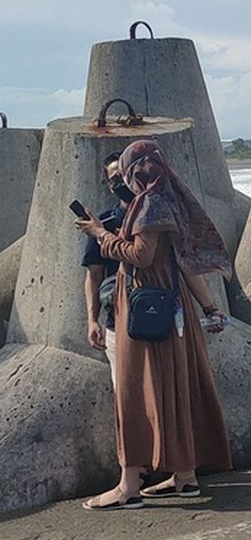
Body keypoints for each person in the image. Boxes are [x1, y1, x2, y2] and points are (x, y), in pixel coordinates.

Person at [74, 140, 233, 510]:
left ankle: (128, 486)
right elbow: (185, 264)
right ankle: (185, 477)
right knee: (176, 391)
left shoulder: (149, 206)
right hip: (175, 313)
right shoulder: (168, 201)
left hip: (145, 314)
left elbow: (140, 256)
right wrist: (210, 308)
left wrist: (101, 235)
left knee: (132, 396)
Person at [81, 153, 134, 386]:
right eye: (114, 179)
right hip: (117, 321)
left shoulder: (158, 217)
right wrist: (92, 320)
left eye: (124, 175)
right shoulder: (105, 221)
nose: (120, 182)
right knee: (124, 391)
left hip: (160, 316)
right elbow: (94, 275)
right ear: (110, 186)